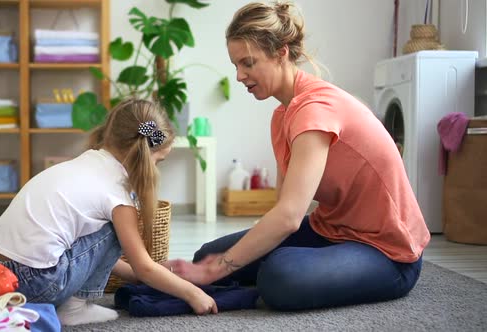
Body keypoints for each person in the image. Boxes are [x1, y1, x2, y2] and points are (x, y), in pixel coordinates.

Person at [167, 1, 431, 311]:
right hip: (332, 231)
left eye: (248, 63)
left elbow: (290, 217)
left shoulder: (314, 111)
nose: (239, 75)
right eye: (235, 64)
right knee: (206, 255)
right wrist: (221, 262)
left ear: (280, 52)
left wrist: (222, 267)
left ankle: (276, 273)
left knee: (277, 277)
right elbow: (283, 208)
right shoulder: (283, 116)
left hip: (389, 253)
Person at [0, 98, 217, 326]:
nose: (156, 168)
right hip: (35, 284)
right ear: (145, 157)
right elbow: (144, 267)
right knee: (117, 224)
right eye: (158, 161)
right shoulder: (117, 194)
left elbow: (87, 250)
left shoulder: (85, 164)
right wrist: (193, 293)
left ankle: (68, 304)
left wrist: (137, 274)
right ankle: (73, 309)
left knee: (94, 227)